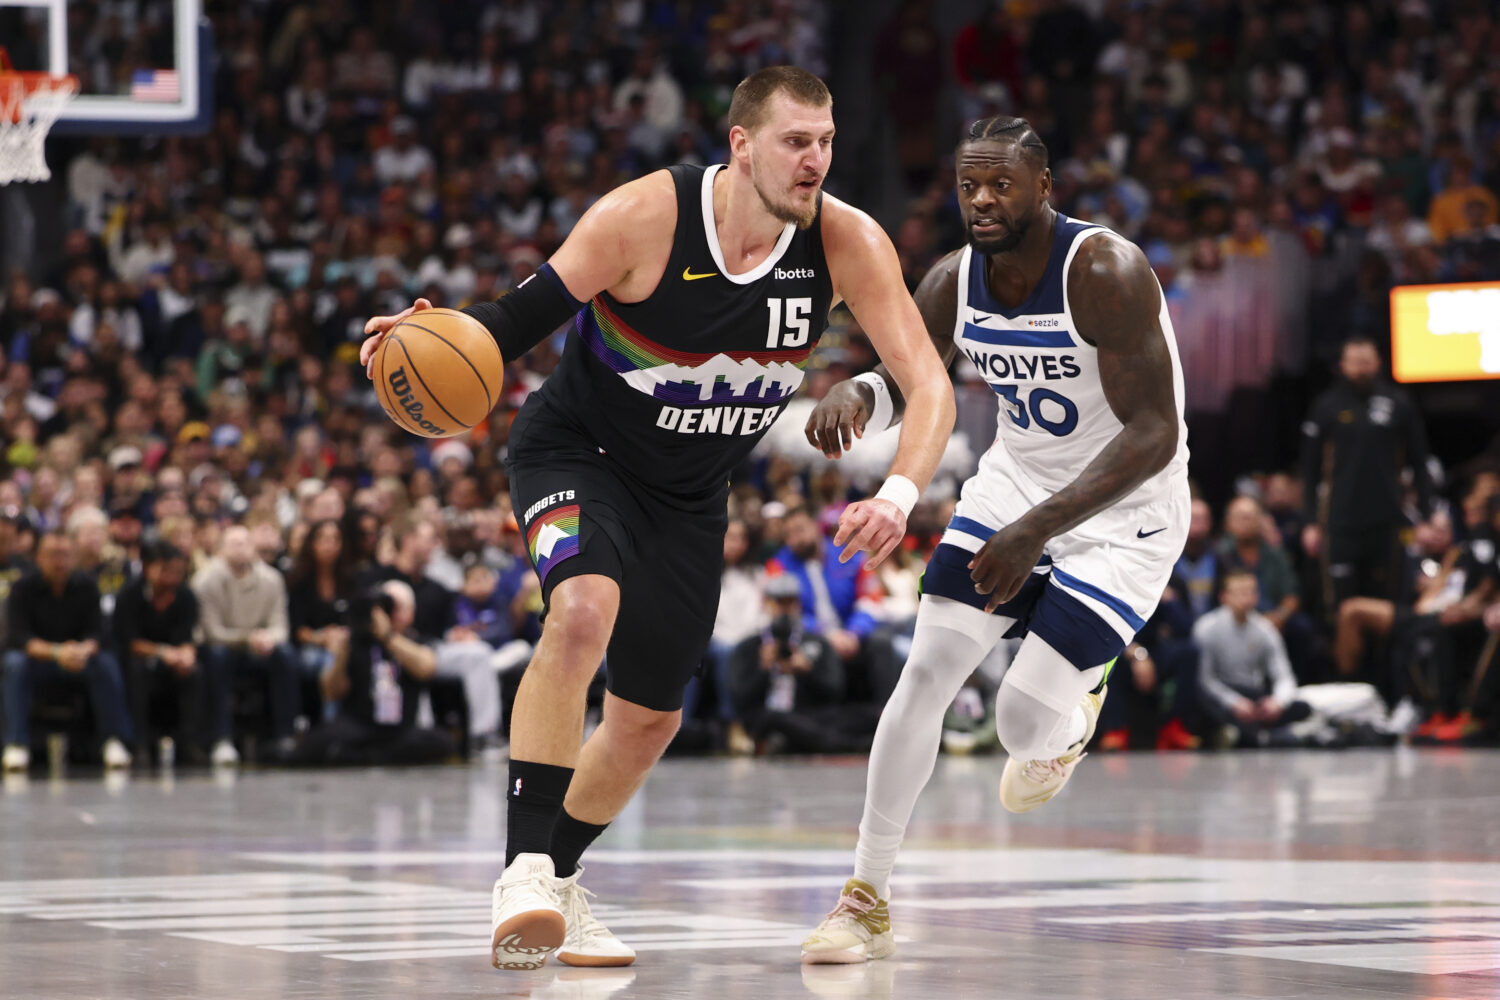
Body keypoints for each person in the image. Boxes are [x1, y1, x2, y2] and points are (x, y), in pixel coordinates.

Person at [359, 66, 955, 972]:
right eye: (797, 141)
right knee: (583, 610)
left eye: (827, 142)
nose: (816, 161)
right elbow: (511, 323)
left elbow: (929, 386)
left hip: (689, 494)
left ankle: (557, 886)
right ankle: (521, 865)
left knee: (648, 721)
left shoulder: (846, 243)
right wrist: (419, 340)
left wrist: (900, 493)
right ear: (742, 144)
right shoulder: (642, 217)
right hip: (577, 453)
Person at [799, 115, 1189, 963]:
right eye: (969, 183)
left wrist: (1035, 532)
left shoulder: (1106, 272)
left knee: (1018, 727)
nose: (981, 198)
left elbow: (1155, 431)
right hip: (1016, 483)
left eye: (1001, 183)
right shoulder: (954, 278)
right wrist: (863, 392)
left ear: (1042, 188)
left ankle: (1072, 714)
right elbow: (918, 371)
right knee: (929, 668)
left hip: (1127, 508)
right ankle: (864, 897)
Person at [1301, 336, 1432, 618]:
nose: (1361, 368)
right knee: (1340, 605)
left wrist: (1426, 516)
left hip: (1387, 521)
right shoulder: (1326, 407)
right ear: (1342, 365)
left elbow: (1420, 463)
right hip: (1340, 522)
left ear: (1378, 363)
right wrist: (1311, 522)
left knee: (1386, 603)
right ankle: (1342, 662)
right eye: (1355, 362)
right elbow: (1309, 469)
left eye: (1367, 362)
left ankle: (1385, 663)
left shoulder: (1398, 403)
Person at [2, 531, 135, 771]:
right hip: (40, 661)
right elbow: (19, 638)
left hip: (78, 661)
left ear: (75, 557)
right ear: (38, 557)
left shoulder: (88, 586)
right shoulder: (22, 587)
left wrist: (82, 650)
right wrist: (56, 652)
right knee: (14, 663)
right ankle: (16, 743)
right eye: (53, 555)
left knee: (107, 663)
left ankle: (112, 740)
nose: (59, 562)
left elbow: (98, 634)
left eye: (65, 555)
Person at [294, 581, 453, 766]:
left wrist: (388, 637)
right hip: (359, 724)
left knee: (441, 742)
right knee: (314, 743)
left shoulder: (416, 641)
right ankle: (373, 756)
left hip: (400, 728)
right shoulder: (358, 643)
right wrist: (341, 656)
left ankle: (364, 757)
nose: (389, 614)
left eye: (395, 608)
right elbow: (330, 692)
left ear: (411, 613)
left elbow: (427, 668)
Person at [114, 541, 228, 765]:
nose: (171, 577)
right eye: (165, 570)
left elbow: (188, 635)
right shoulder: (129, 595)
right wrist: (163, 652)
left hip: (175, 658)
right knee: (136, 673)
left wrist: (185, 654)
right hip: (140, 659)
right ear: (148, 567)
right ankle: (139, 744)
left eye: (177, 571)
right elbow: (129, 641)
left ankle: (191, 743)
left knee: (195, 672)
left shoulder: (185, 596)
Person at [192, 525, 301, 757]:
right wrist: (247, 638)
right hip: (224, 648)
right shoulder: (205, 581)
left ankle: (285, 735)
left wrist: (267, 639)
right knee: (216, 656)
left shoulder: (272, 579)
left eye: (245, 543)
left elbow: (280, 626)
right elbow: (211, 632)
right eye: (234, 543)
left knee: (285, 654)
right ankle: (222, 738)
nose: (241, 549)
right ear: (220, 549)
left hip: (258, 648)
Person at [1194, 570, 1312, 748]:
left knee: (1303, 707)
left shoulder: (1265, 629)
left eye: (1250, 592)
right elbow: (1206, 680)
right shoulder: (1206, 628)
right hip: (1222, 693)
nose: (1246, 598)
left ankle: (1251, 733)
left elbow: (1284, 675)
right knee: (1203, 703)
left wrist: (1277, 703)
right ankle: (1259, 735)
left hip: (1254, 696)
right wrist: (1234, 702)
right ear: (1224, 597)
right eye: (1240, 592)